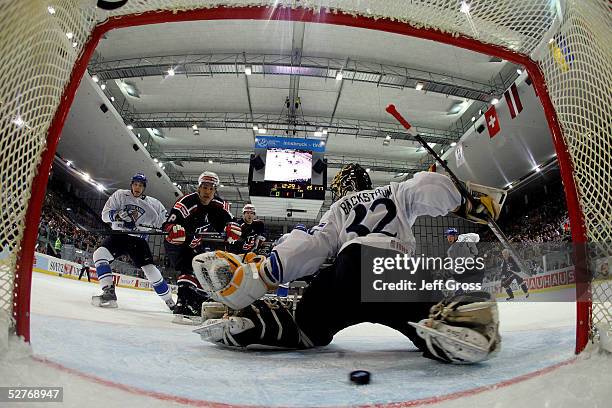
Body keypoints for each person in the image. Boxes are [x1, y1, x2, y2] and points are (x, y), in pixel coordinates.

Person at [194, 164, 503, 364]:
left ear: (341, 189)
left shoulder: (340, 206)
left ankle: (264, 323)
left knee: (308, 327)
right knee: (428, 319)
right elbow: (429, 186)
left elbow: (312, 246)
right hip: (390, 268)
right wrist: (466, 199)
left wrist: (262, 273)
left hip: (347, 270)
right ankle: (455, 325)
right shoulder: (395, 190)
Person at [163, 171, 240, 324]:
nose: (207, 192)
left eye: (211, 188)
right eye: (205, 187)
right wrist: (173, 229)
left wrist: (233, 228)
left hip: (196, 243)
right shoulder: (185, 202)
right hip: (178, 243)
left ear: (215, 190)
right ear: (198, 188)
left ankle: (196, 303)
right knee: (188, 267)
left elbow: (232, 222)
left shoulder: (220, 205)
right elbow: (167, 225)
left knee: (203, 270)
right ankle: (182, 305)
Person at [92, 173, 175, 310]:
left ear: (144, 188)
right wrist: (116, 215)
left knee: (149, 269)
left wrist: (169, 228)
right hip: (119, 236)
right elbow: (105, 215)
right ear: (131, 185)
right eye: (135, 184)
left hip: (138, 239)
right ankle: (109, 292)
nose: (137, 187)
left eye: (141, 185)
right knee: (99, 255)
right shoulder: (119, 195)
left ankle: (169, 301)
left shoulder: (154, 204)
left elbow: (165, 221)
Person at [445, 227, 482, 294]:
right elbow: (475, 252)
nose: (449, 238)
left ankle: (463, 290)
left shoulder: (450, 251)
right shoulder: (465, 239)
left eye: (450, 236)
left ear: (455, 236)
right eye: (448, 237)